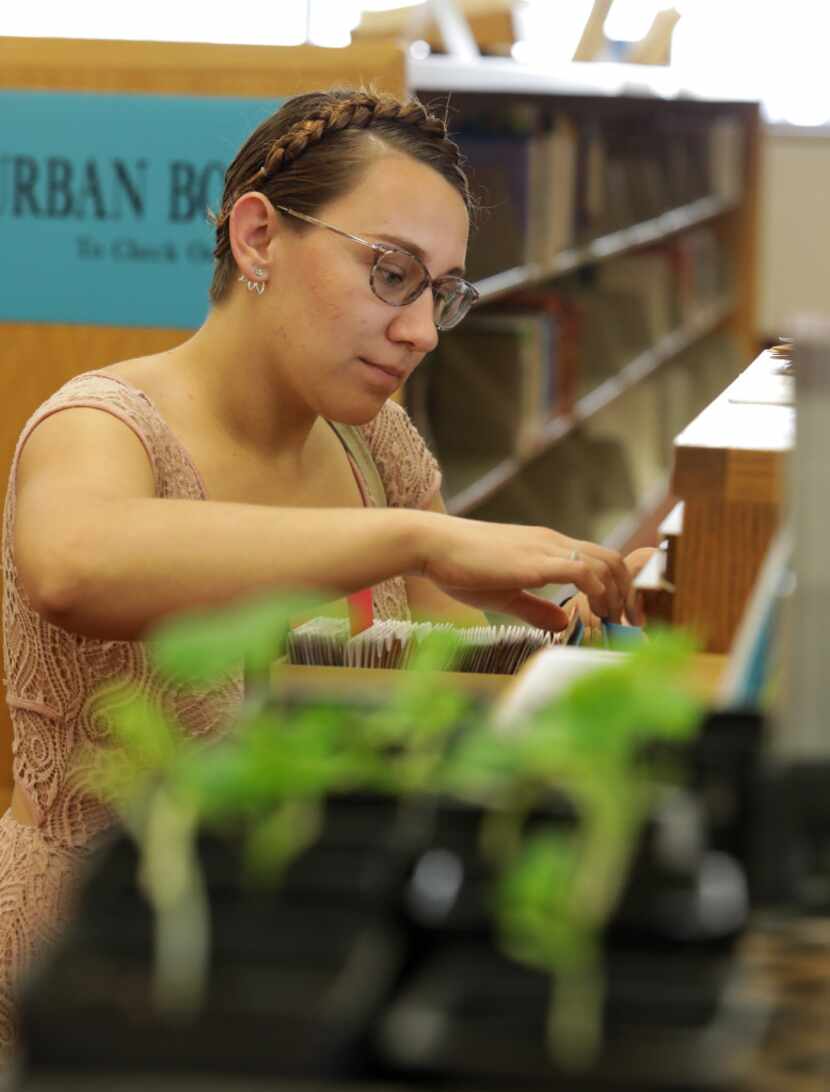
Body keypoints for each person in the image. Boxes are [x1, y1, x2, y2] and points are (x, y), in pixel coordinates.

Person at [0, 86, 648, 1059]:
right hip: (93, 981)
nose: (423, 331)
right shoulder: (98, 426)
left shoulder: (370, 440)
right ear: (257, 237)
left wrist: (574, 638)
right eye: (391, 273)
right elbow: (73, 565)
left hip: (292, 964)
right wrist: (411, 539)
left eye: (443, 292)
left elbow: (426, 676)